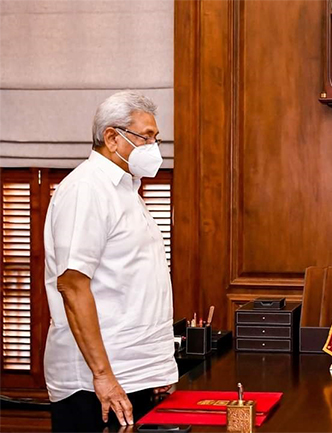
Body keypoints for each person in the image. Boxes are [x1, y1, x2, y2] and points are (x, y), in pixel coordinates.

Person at [43, 91, 178, 432]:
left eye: (156, 138)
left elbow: (135, 283)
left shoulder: (127, 190)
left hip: (134, 374)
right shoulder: (87, 189)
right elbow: (72, 286)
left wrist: (157, 368)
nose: (153, 147)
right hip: (95, 384)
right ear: (112, 137)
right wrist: (103, 376)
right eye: (146, 137)